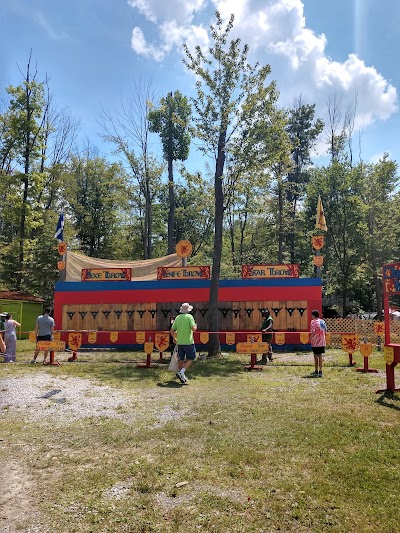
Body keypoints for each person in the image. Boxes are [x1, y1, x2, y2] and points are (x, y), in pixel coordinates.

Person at [171, 302, 197, 384]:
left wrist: (174, 338)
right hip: (188, 342)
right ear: (188, 310)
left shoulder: (178, 317)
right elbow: (194, 329)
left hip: (179, 342)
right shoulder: (190, 317)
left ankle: (182, 376)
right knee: (191, 357)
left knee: (181, 359)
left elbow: (172, 330)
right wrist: (195, 325)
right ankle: (182, 372)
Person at [310, 309, 327, 377]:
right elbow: (325, 330)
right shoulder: (322, 321)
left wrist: (310, 338)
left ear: (313, 315)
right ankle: (320, 371)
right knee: (320, 356)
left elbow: (313, 332)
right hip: (322, 341)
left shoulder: (313, 322)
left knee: (315, 356)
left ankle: (316, 370)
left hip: (315, 341)